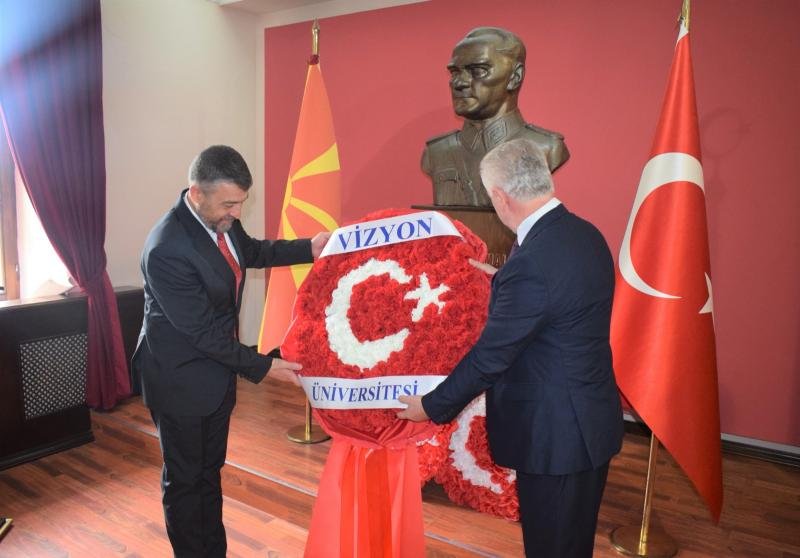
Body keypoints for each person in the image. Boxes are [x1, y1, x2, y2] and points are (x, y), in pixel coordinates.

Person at [399, 138, 623, 557]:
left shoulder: (533, 265)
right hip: (589, 420)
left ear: (500, 197)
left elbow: (490, 359)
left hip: (556, 438)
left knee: (550, 547)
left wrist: (430, 406)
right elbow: (559, 297)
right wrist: (501, 278)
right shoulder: (584, 234)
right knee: (573, 543)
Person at [131, 145, 330, 557]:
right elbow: (202, 334)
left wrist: (308, 248)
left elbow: (252, 251)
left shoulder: (219, 220)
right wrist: (265, 365)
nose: (237, 213)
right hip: (180, 380)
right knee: (185, 481)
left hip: (215, 374)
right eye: (229, 204)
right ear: (196, 193)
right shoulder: (167, 247)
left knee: (209, 472)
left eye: (241, 202)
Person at [422, 27, 570, 207]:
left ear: (514, 77)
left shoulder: (545, 147)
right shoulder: (437, 152)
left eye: (478, 70)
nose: (459, 83)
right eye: (454, 72)